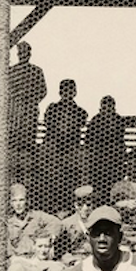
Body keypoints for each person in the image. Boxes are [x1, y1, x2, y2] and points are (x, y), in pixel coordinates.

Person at [40, 79, 88, 211]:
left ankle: (68, 205)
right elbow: (49, 123)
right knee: (51, 173)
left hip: (70, 148)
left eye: (70, 91)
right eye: (65, 90)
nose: (67, 93)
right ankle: (49, 204)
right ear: (60, 92)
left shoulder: (79, 111)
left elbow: (81, 121)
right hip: (55, 146)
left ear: (74, 92)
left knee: (71, 173)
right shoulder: (53, 108)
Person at [7, 42, 47, 172]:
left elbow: (42, 90)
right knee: (13, 143)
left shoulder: (36, 71)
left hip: (29, 111)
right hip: (14, 113)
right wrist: (17, 97)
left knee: (28, 143)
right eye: (21, 52)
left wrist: (30, 98)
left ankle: (27, 170)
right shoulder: (12, 71)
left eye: (26, 52)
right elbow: (6, 90)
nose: (23, 55)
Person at [83, 97, 127, 196]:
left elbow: (119, 138)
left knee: (116, 170)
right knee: (97, 171)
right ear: (101, 108)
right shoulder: (96, 120)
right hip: (99, 158)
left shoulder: (118, 120)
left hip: (115, 158)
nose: (107, 111)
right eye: (105, 108)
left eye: (110, 108)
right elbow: (88, 140)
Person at [6, 183, 59, 256]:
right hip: (18, 259)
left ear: (27, 201)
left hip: (37, 257)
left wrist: (50, 237)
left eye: (21, 200)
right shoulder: (8, 223)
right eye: (14, 201)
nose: (18, 204)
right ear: (11, 203)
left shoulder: (37, 216)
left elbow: (56, 222)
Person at [57, 185, 95, 257]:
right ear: (75, 205)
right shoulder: (66, 224)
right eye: (80, 205)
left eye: (88, 204)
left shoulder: (99, 222)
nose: (85, 208)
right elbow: (60, 252)